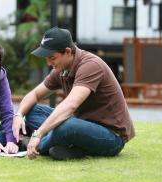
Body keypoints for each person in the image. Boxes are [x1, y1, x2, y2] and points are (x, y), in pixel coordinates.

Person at [12, 27, 135, 160]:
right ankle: (69, 147)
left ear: (68, 52)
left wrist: (38, 135)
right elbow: (35, 94)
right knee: (33, 111)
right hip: (81, 124)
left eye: (52, 58)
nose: (48, 63)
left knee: (67, 126)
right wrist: (19, 115)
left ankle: (36, 146)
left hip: (111, 137)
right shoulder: (61, 68)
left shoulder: (90, 66)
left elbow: (70, 105)